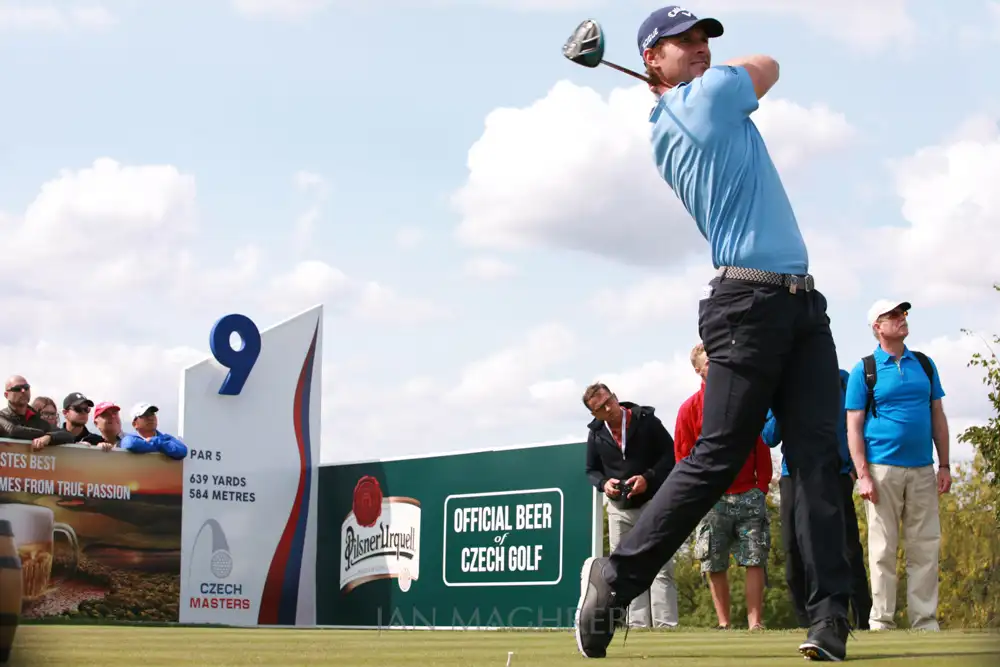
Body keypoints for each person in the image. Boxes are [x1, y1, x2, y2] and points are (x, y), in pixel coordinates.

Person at [573, 6, 852, 661]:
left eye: (704, 39)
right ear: (651, 60)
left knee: (818, 460)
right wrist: (706, 78)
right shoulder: (706, 100)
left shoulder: (680, 113)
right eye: (683, 42)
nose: (700, 48)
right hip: (748, 304)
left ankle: (830, 616)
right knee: (718, 454)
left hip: (800, 303)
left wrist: (679, 83)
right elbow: (770, 65)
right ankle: (615, 577)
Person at [844, 300, 950, 631]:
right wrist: (863, 475)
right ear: (877, 327)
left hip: (922, 468)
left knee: (925, 546)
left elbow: (938, 416)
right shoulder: (864, 369)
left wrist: (944, 465)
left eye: (902, 314)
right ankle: (882, 620)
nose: (901, 319)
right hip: (881, 469)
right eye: (892, 315)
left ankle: (925, 621)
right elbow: (853, 427)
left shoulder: (925, 364)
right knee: (882, 549)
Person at [763, 368, 873, 631]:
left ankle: (862, 621)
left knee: (847, 549)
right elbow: (769, 437)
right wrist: (782, 400)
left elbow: (858, 426)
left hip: (835, 473)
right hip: (794, 475)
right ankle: (808, 622)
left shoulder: (843, 380)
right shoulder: (780, 384)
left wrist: (851, 470)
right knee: (793, 549)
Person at [676, 344, 773, 631]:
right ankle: (724, 623)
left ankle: (755, 623)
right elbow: (682, 457)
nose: (715, 366)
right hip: (711, 498)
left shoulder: (744, 400)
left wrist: (762, 485)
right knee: (713, 561)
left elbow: (760, 444)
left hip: (748, 493)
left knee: (755, 557)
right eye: (709, 363)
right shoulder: (689, 409)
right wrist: (695, 496)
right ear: (698, 370)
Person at [583, 383, 679, 629]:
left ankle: (666, 625)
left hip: (654, 503)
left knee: (660, 566)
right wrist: (604, 483)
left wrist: (648, 477)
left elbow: (670, 455)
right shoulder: (595, 433)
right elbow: (591, 470)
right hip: (619, 510)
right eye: (601, 408)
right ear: (595, 414)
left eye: (609, 401)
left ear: (615, 397)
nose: (608, 408)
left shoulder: (646, 421)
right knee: (626, 570)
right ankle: (637, 625)